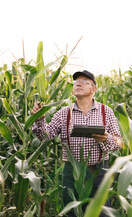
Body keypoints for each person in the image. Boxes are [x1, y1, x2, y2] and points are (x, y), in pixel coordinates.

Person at [32, 70, 123, 217]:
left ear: (94, 89)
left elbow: (119, 142)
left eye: (84, 82)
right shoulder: (64, 113)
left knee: (102, 213)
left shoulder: (106, 112)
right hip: (71, 172)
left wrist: (106, 139)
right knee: (72, 213)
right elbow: (45, 137)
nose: (78, 84)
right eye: (76, 82)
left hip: (99, 172)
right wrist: (39, 119)